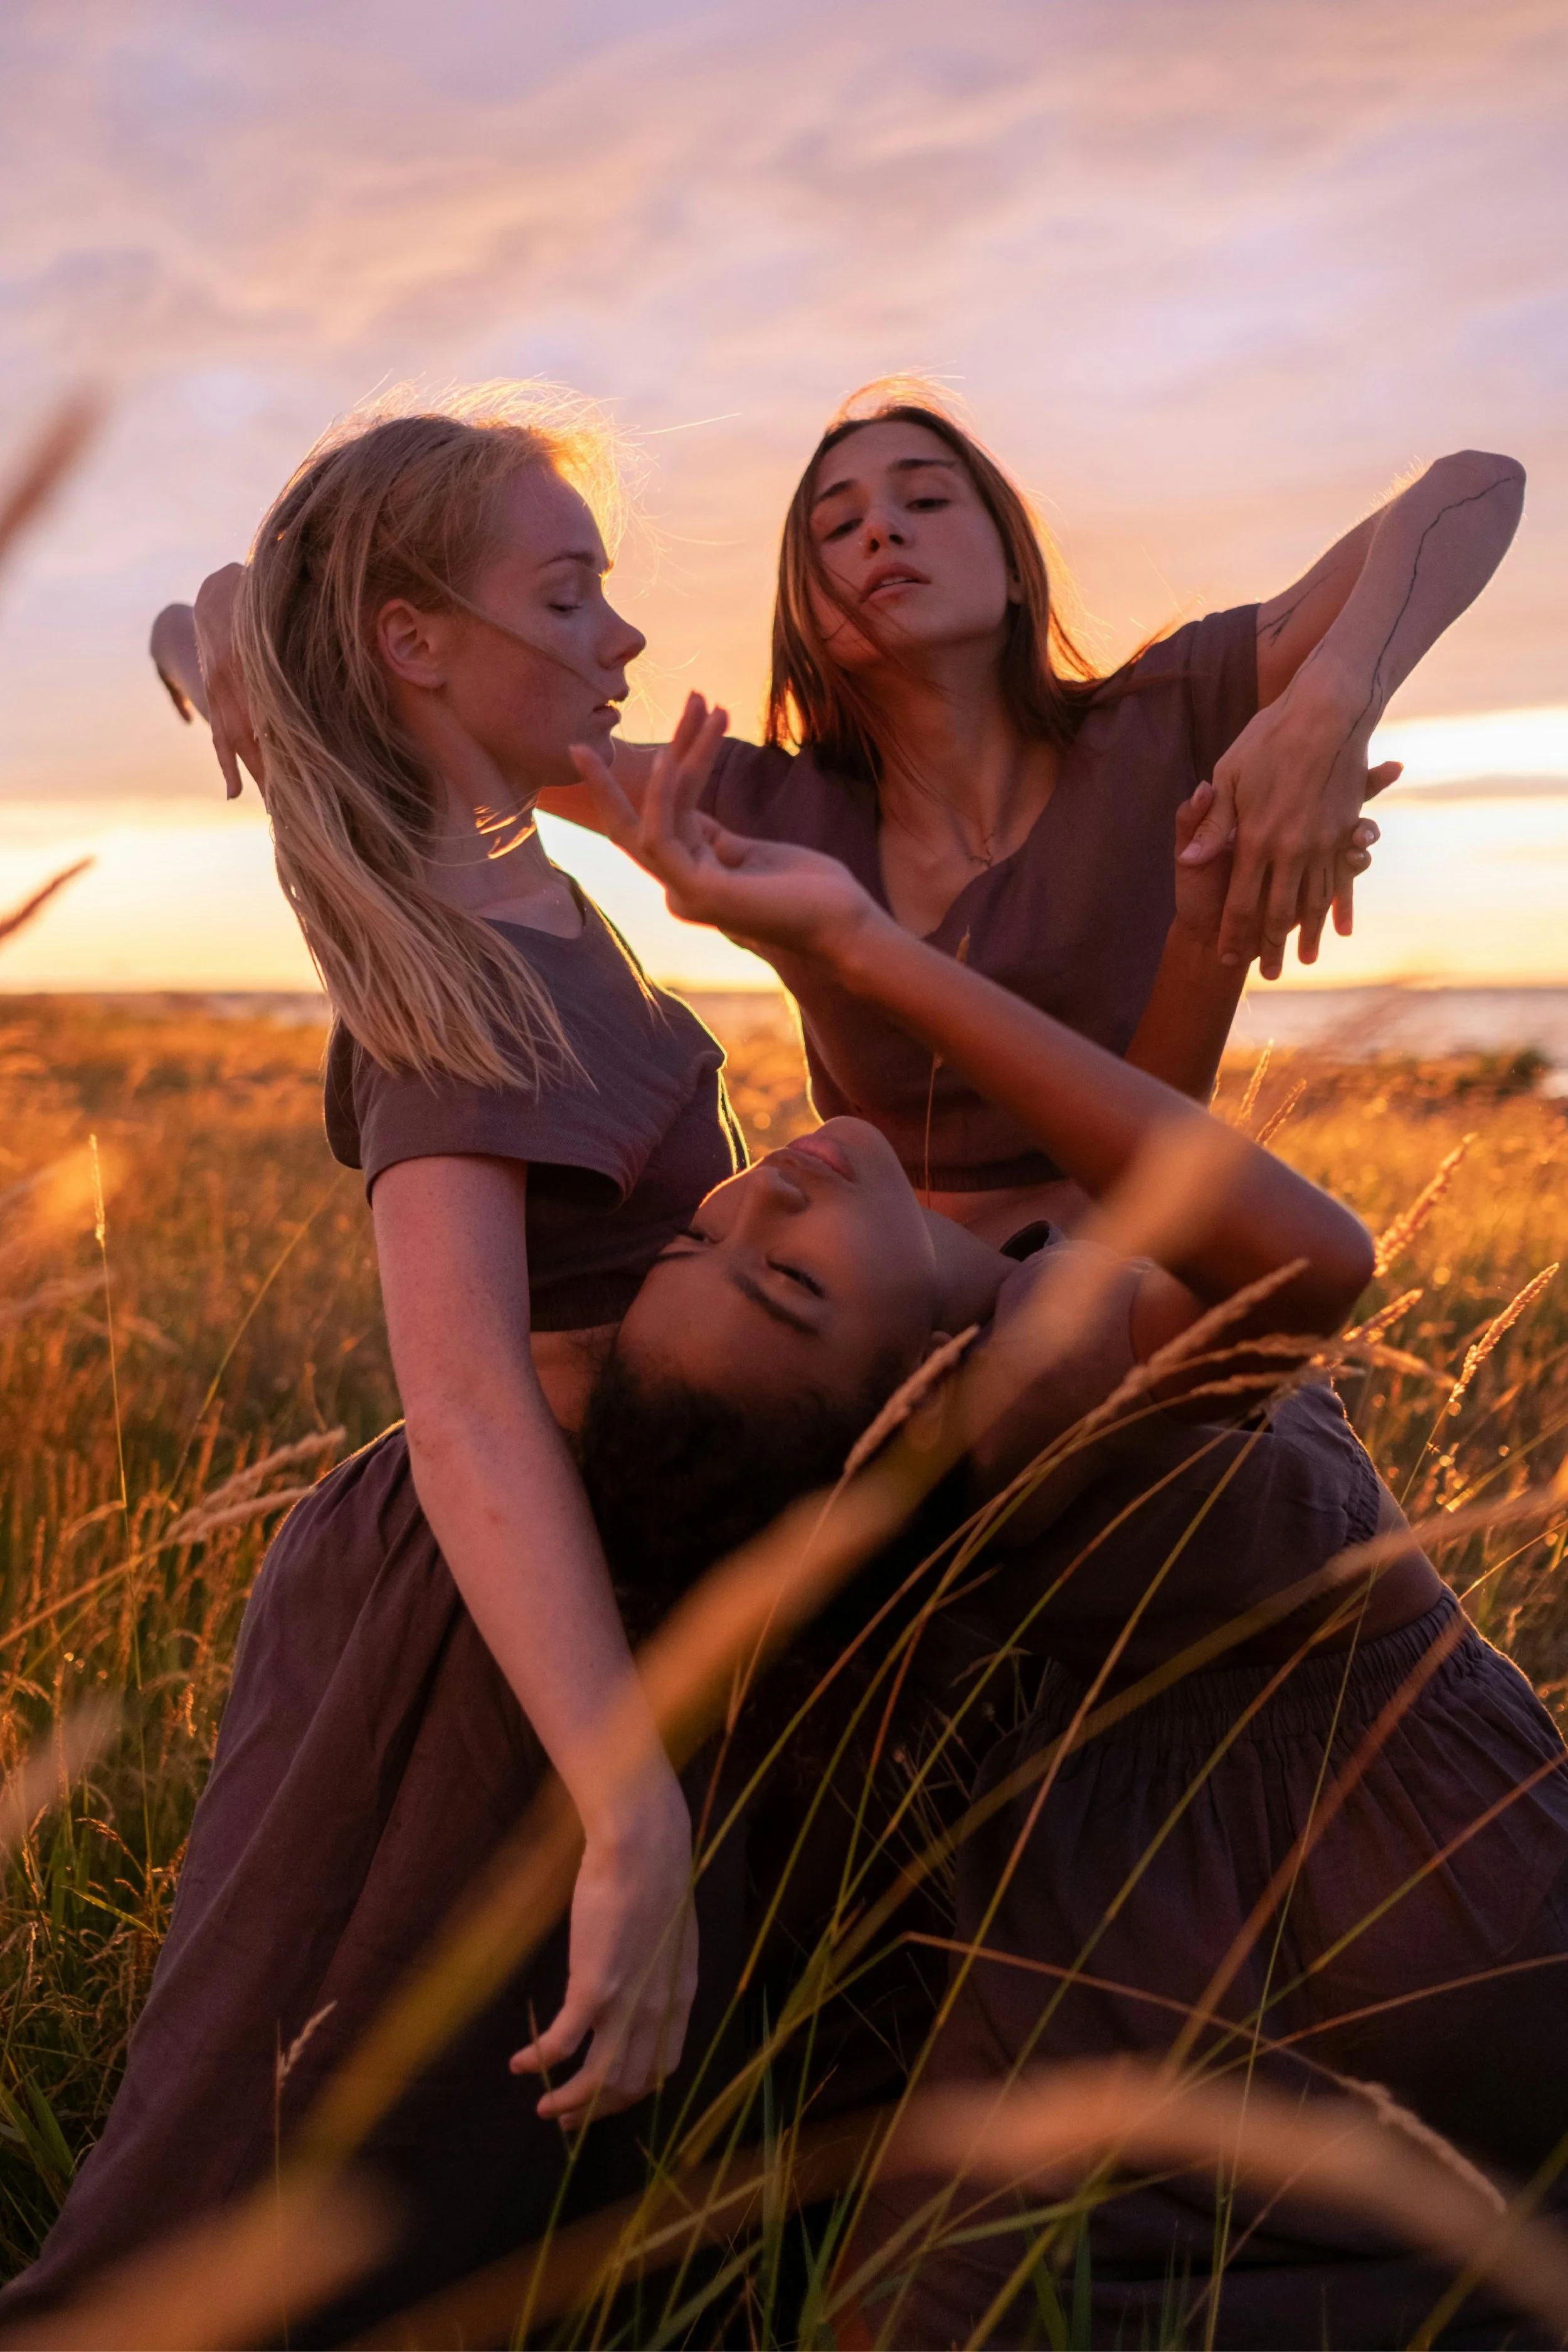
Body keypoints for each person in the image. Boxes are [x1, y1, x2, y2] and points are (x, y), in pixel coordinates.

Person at [559, 742, 1568, 2348]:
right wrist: (856, 949)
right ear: (899, 1395)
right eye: (792, 1284)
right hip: (1398, 1901)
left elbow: (1131, 1197)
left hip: (1188, 1896)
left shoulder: (1019, 1318)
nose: (763, 1199)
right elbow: (1309, 1259)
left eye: (708, 1231)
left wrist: (1199, 936)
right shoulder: (1023, 1392)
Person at [0, 388, 761, 2335]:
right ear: (418, 642)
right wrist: (628, 1801)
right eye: (569, 594)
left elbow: (242, 612)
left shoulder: (484, 860)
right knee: (288, 2197)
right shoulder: (456, 965)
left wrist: (231, 643)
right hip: (490, 1650)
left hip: (563, 1605)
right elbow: (467, 1401)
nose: (622, 635)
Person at [158, 388, 1525, 1241]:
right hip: (888, 1336)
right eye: (834, 527)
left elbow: (1471, 485)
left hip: (1140, 1283)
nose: (880, 532)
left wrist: (1328, 702)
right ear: (806, 610)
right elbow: (419, 688)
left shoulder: (1161, 717)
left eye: (925, 500)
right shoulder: (753, 805)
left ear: (1012, 562)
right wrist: (224, 616)